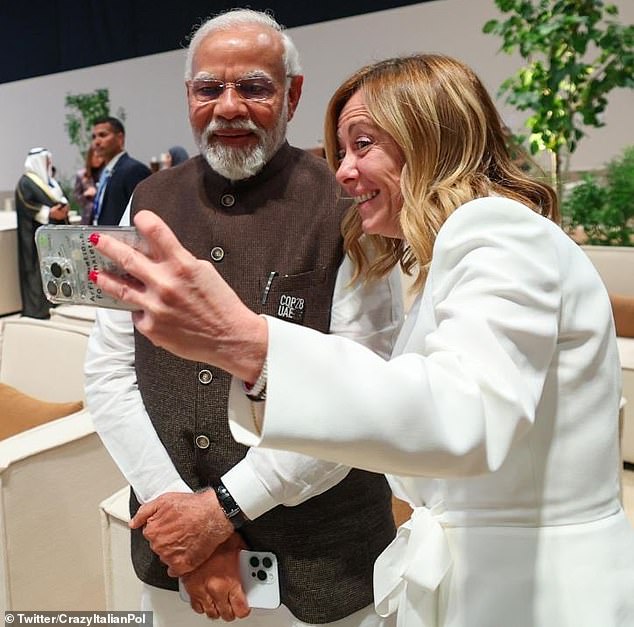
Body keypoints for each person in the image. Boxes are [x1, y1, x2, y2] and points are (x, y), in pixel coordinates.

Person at [90, 53, 634, 627]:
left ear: (429, 138)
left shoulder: (495, 231)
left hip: (535, 588)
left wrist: (250, 345)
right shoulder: (452, 254)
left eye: (363, 144)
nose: (344, 172)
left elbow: (465, 415)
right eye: (342, 149)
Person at [84, 9, 401, 627]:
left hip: (324, 566)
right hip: (175, 559)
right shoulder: (148, 199)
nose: (228, 106)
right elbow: (109, 372)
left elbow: (365, 394)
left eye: (253, 86)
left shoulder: (347, 201)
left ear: (293, 95)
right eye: (209, 88)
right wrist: (178, 511)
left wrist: (220, 513)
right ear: (189, 97)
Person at [14, 147, 69, 318]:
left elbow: (60, 198)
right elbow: (27, 204)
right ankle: (36, 310)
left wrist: (63, 209)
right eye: (46, 160)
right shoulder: (26, 182)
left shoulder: (49, 182)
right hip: (34, 238)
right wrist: (50, 213)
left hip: (52, 237)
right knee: (36, 273)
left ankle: (54, 302)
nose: (49, 163)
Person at [89, 116, 151, 225]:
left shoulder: (134, 170)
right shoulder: (105, 172)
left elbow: (142, 214)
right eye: (94, 137)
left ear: (120, 138)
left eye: (103, 135)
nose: (96, 142)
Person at [73, 146, 105, 224]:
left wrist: (97, 192)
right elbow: (76, 198)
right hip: (88, 216)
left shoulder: (106, 174)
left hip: (104, 214)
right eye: (96, 156)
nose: (99, 159)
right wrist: (85, 194)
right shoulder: (81, 175)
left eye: (101, 157)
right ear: (90, 157)